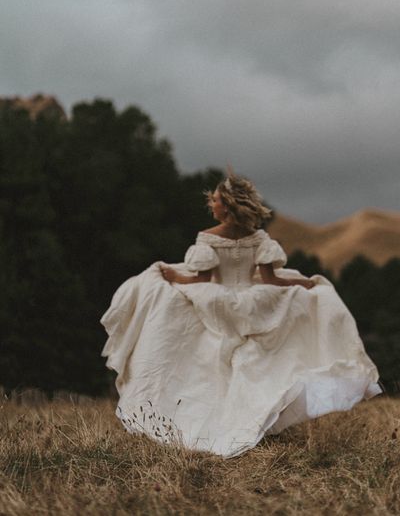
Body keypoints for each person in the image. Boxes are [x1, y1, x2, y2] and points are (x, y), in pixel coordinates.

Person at [101, 171, 382, 458]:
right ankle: (251, 416)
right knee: (261, 357)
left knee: (202, 357)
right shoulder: (258, 238)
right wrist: (303, 283)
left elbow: (202, 278)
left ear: (229, 205)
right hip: (254, 299)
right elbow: (271, 281)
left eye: (217, 201)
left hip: (218, 299)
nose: (212, 205)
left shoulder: (208, 238)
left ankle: (207, 416)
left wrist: (173, 276)